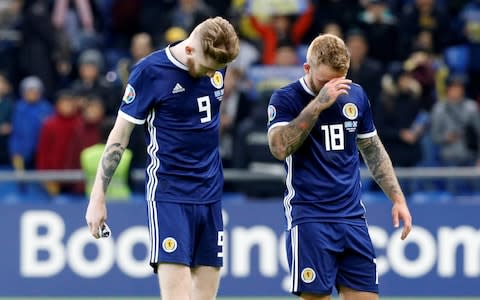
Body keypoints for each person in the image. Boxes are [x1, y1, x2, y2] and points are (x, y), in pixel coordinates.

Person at [85, 17, 239, 300]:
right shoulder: (150, 72)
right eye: (207, 69)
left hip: (210, 193)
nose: (210, 75)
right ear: (190, 50)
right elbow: (120, 136)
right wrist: (97, 198)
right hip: (170, 195)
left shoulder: (217, 58)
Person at [266, 33, 412, 299]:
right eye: (324, 82)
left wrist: (398, 198)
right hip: (310, 217)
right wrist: (318, 104)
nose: (333, 88)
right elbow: (279, 148)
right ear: (307, 69)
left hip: (352, 217)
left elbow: (372, 148)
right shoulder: (285, 99)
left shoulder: (355, 95)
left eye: (339, 80)